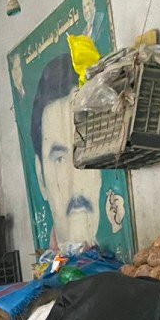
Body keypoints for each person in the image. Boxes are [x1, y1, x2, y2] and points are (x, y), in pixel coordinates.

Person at [29, 53, 102, 249]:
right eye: (60, 159)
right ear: (41, 177)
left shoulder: (112, 264)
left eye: (85, 151)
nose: (75, 174)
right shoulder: (50, 269)